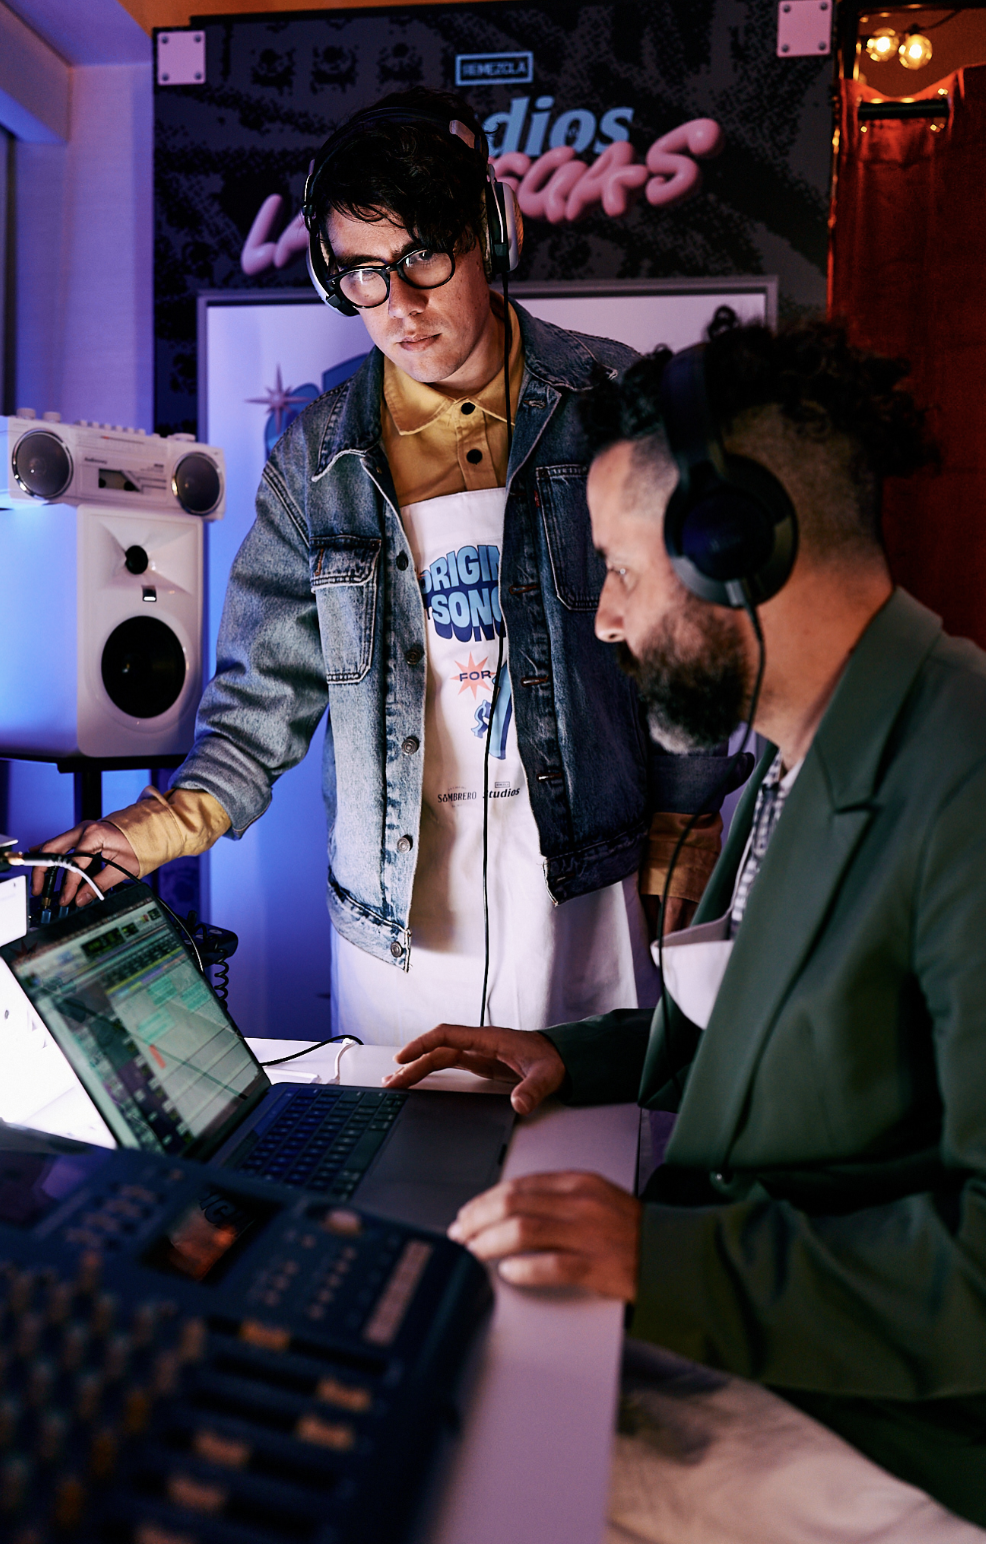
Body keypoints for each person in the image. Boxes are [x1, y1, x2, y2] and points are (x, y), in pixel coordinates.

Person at [385, 320, 986, 1536]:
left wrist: (662, 1262)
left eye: (618, 567)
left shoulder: (965, 774)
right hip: (775, 1346)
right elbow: (775, 1014)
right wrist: (581, 1053)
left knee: (427, 1479)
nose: (604, 621)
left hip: (893, 1424)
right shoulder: (806, 753)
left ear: (736, 551)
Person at [33, 87, 732, 1045]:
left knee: (585, 1162)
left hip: (594, 898)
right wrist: (153, 831)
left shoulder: (610, 401)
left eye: (423, 259)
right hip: (397, 932)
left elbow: (686, 641)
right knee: (400, 1174)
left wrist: (682, 842)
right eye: (363, 274)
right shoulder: (313, 456)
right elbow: (262, 696)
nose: (399, 306)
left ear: (492, 235)